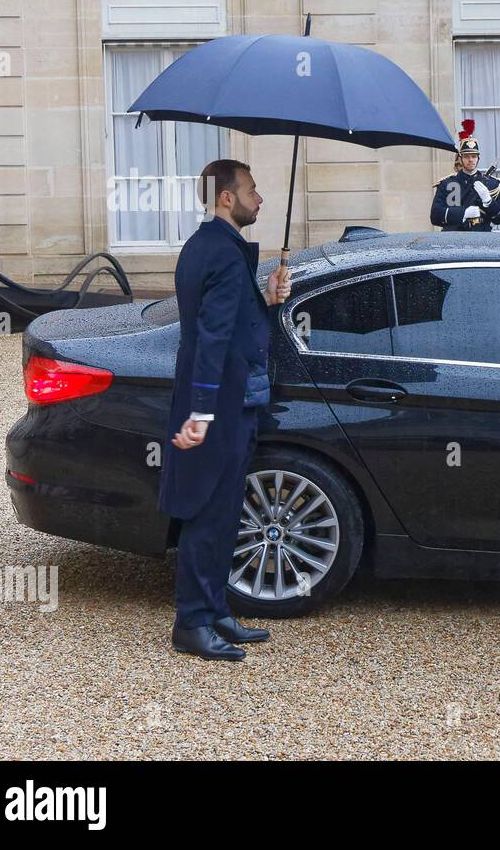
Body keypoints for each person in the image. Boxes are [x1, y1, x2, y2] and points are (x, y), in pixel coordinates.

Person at [158, 159, 289, 661]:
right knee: (208, 514)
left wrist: (268, 298)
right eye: (253, 190)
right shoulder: (225, 254)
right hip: (220, 407)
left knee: (225, 511)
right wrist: (203, 412)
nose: (260, 199)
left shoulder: (207, 246)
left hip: (228, 403)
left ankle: (214, 610)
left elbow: (229, 321)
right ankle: (191, 622)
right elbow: (210, 338)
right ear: (227, 199)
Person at [429, 119, 500, 231]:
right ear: (460, 158)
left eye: (474, 156)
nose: (470, 160)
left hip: (482, 240)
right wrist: (463, 213)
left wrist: (489, 202)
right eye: (466, 156)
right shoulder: (447, 183)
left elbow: (499, 219)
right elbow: (435, 216)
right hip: (453, 240)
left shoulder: (492, 184)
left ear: (478, 158)